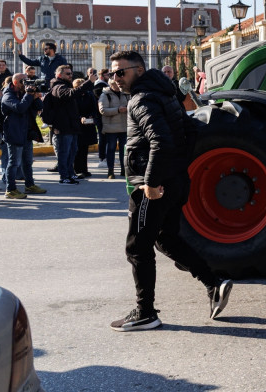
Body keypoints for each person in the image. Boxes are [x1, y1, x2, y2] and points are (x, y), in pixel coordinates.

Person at [109, 50, 232, 331]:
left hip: (153, 186)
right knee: (166, 239)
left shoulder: (142, 100)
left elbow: (160, 142)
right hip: (174, 180)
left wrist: (152, 183)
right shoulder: (166, 94)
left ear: (138, 70)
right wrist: (177, 169)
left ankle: (144, 313)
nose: (115, 78)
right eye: (112, 72)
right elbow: (190, 131)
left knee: (137, 247)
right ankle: (214, 283)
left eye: (120, 72)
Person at [1, 73, 47, 198]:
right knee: (14, 162)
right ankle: (10, 190)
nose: (26, 84)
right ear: (15, 82)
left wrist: (36, 97)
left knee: (27, 162)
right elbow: (20, 108)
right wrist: (28, 95)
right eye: (23, 82)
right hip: (14, 133)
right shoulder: (8, 95)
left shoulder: (23, 93)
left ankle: (29, 185)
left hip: (27, 133)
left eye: (27, 81)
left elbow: (39, 107)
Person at [48, 64, 92, 185]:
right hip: (63, 126)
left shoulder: (65, 85)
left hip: (71, 125)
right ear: (59, 75)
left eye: (71, 73)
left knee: (72, 152)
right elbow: (70, 94)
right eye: (68, 74)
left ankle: (70, 173)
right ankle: (64, 176)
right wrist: (88, 82)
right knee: (64, 153)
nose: (70, 75)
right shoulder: (57, 86)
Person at [98, 78, 128, 179]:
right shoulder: (105, 95)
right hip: (111, 128)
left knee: (124, 150)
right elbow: (103, 110)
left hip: (124, 127)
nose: (118, 85)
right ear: (111, 85)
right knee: (111, 148)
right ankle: (110, 170)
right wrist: (118, 110)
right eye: (116, 84)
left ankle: (124, 169)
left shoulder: (125, 94)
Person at [72, 78, 99, 179]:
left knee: (84, 149)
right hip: (77, 126)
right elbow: (72, 112)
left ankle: (84, 169)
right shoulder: (74, 97)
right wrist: (80, 118)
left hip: (88, 125)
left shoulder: (89, 95)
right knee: (77, 149)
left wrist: (91, 116)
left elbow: (94, 108)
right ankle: (77, 170)